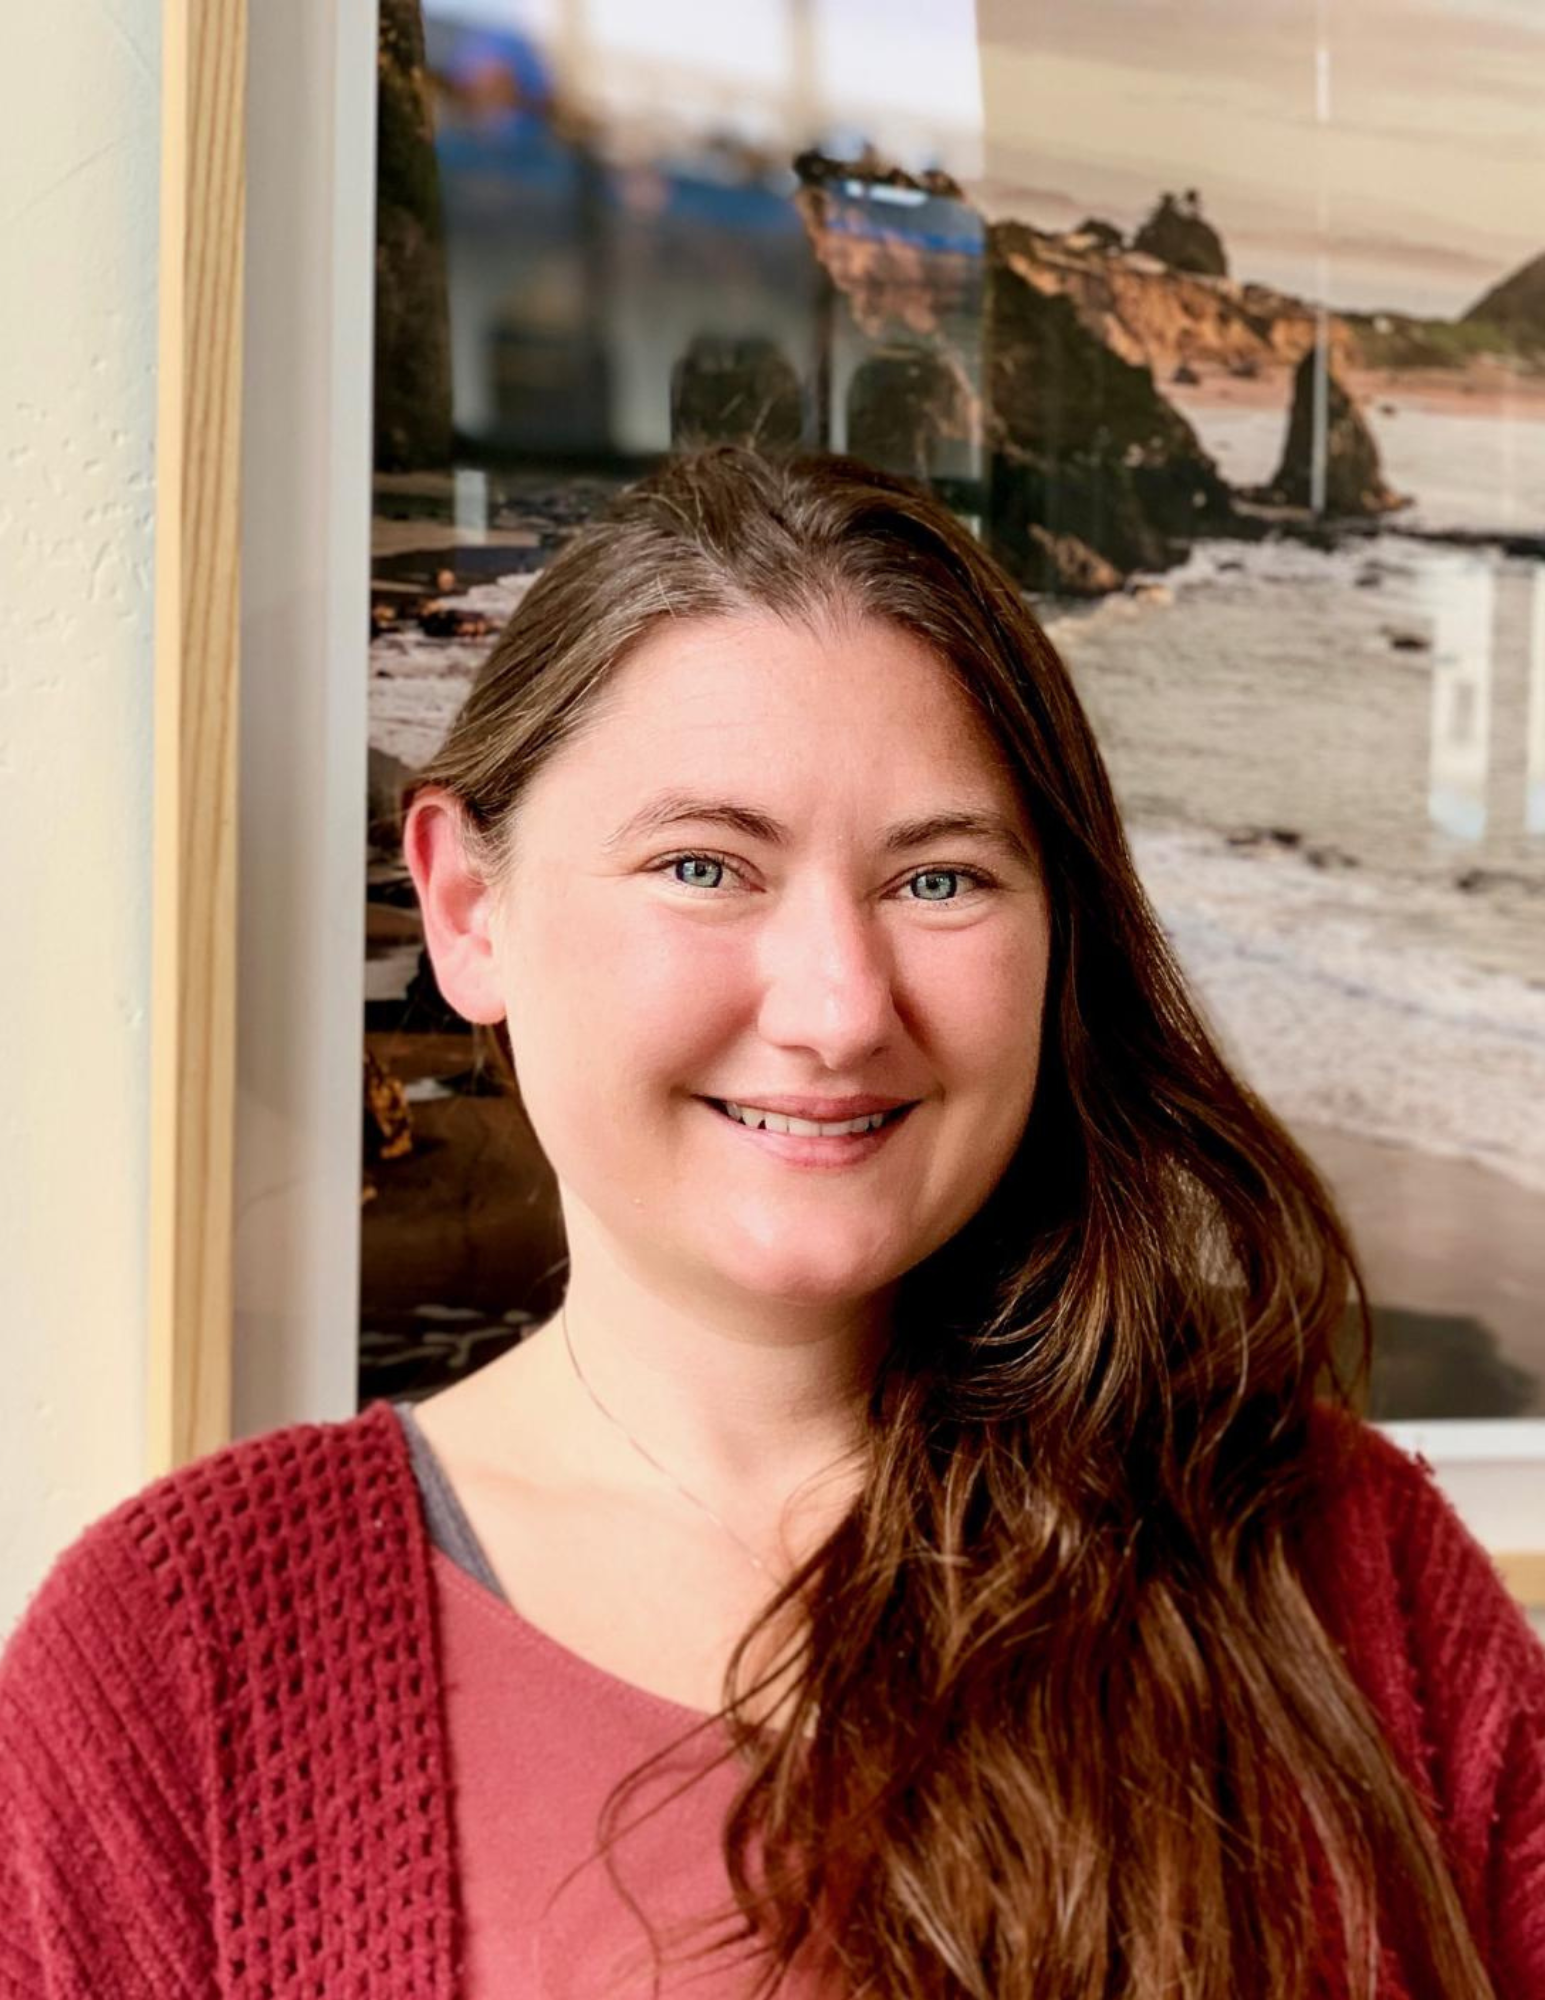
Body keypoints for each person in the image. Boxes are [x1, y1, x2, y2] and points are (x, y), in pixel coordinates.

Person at [2, 446, 1542, 2000]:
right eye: (703, 867)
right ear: (470, 911)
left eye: (939, 882)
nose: (837, 1007)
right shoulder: (181, 1660)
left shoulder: (1339, 1557)